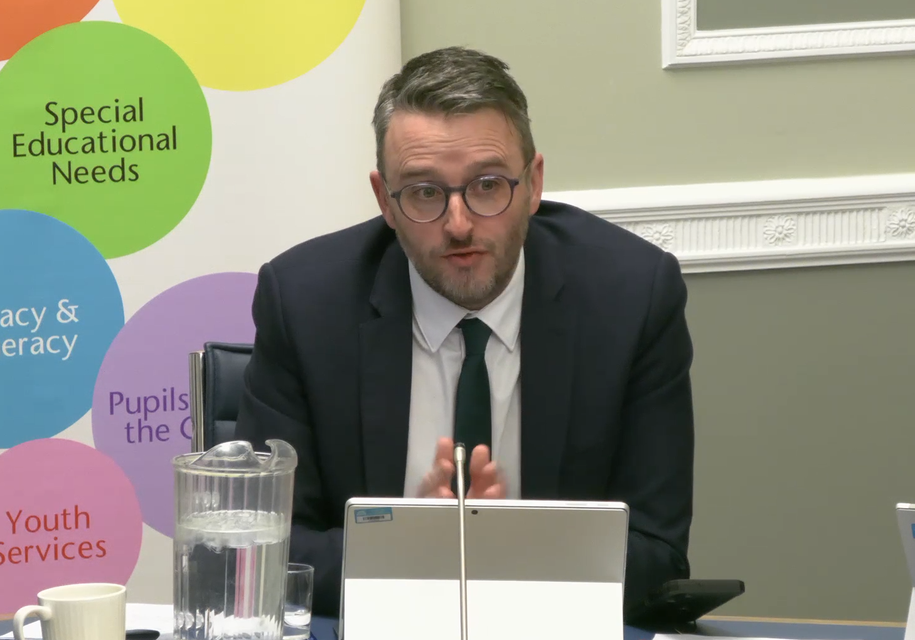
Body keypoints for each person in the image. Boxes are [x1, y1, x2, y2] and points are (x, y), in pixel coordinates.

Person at [234, 46, 695, 618]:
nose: (459, 224)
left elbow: (657, 553)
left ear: (534, 184)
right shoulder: (305, 303)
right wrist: (406, 544)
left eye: (488, 185)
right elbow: (264, 550)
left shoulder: (630, 297)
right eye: (425, 192)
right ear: (385, 200)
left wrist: (503, 547)